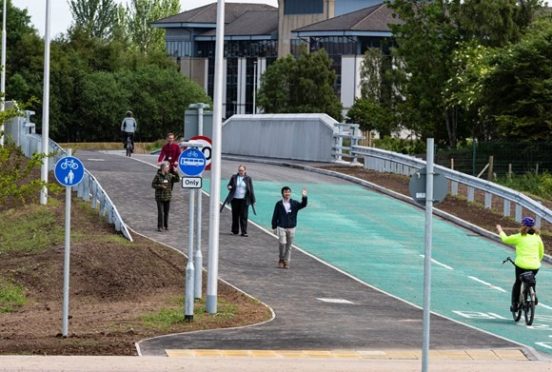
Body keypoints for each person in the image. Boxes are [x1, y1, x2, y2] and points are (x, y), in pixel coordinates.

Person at [496, 216, 544, 312]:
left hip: (521, 265)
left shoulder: (519, 237)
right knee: (531, 279)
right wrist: (537, 260)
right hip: (535, 265)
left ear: (522, 225)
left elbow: (505, 239)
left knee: (518, 282)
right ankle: (533, 294)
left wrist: (500, 230)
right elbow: (541, 252)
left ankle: (515, 305)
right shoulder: (537, 237)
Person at [271, 186, 308, 269]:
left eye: (288, 192)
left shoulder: (294, 203)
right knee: (282, 243)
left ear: (290, 193)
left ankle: (286, 261)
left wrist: (304, 196)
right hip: (281, 227)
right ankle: (281, 258)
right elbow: (275, 215)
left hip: (292, 227)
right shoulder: (279, 204)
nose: (287, 193)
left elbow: (303, 204)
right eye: (285, 192)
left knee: (289, 245)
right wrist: (274, 226)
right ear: (282, 194)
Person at [223, 165, 256, 237]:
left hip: (244, 200)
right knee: (235, 215)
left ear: (245, 171)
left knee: (244, 216)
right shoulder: (234, 177)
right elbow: (229, 184)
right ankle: (235, 231)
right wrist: (229, 187)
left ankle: (244, 232)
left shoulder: (248, 179)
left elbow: (251, 189)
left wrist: (253, 200)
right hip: (235, 199)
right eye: (239, 170)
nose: (240, 172)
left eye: (242, 170)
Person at [152, 161, 180, 232]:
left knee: (166, 212)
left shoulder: (169, 175)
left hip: (168, 197)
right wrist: (160, 186)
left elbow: (177, 180)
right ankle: (160, 226)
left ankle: (166, 225)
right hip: (159, 197)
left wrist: (176, 172)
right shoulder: (157, 176)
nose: (168, 168)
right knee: (160, 212)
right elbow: (153, 185)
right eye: (167, 167)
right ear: (163, 168)